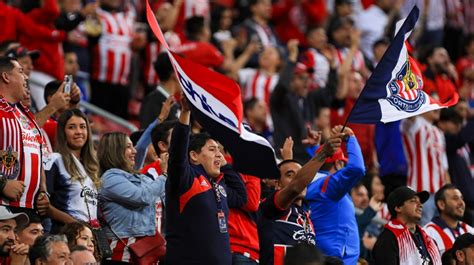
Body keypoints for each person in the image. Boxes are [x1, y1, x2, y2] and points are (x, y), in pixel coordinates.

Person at [165, 96, 247, 264]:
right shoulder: (186, 179)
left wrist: (224, 165)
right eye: (212, 149)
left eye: (219, 150)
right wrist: (186, 113)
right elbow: (178, 153)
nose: (219, 153)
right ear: (194, 156)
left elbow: (241, 196)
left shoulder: (218, 184)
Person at [258, 130, 343, 265]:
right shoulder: (270, 207)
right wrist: (323, 154)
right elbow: (293, 187)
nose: (303, 180)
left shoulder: (305, 214)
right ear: (277, 184)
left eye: (302, 174)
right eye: (291, 175)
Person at [98, 132, 166, 263]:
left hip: (145, 251)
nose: (134, 151)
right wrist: (165, 175)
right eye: (128, 147)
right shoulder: (110, 178)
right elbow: (143, 197)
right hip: (122, 253)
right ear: (115, 151)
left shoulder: (140, 177)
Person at [305, 126, 365, 264]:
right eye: (343, 163)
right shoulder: (328, 187)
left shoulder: (314, 184)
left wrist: (315, 149)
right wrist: (350, 138)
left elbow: (319, 166)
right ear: (338, 163)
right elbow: (357, 168)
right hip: (336, 259)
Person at [0, 56, 49, 214]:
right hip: (3, 206)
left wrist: (43, 191)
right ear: (6, 77)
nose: (26, 76)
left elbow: (36, 155)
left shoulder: (26, 115)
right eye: (20, 71)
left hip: (31, 208)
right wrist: (2, 183)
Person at [44, 109, 99, 232]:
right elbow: (43, 205)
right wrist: (75, 223)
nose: (79, 132)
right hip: (64, 234)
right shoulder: (54, 160)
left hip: (88, 236)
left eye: (83, 127)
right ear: (63, 132)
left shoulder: (91, 166)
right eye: (72, 127)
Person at [402, 109, 449, 225]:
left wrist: (448, 191)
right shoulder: (414, 124)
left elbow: (444, 167)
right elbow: (408, 114)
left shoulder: (439, 133)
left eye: (438, 104)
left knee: (439, 231)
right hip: (421, 190)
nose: (437, 107)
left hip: (440, 192)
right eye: (432, 104)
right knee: (424, 229)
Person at [373, 186, 442, 265]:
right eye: (413, 201)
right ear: (398, 208)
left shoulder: (430, 240)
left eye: (420, 202)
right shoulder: (387, 240)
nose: (420, 205)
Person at [424, 184, 474, 255]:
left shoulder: (469, 230)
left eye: (462, 198)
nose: (461, 203)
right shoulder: (428, 233)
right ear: (441, 204)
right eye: (455, 198)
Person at [139, 52, 180, 129]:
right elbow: (147, 135)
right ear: (175, 74)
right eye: (183, 71)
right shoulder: (152, 101)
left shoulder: (174, 102)